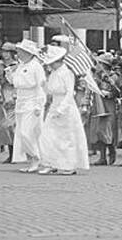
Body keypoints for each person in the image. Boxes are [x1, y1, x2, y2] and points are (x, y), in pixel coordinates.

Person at [37, 44, 89, 175]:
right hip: (55, 104)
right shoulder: (54, 74)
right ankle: (50, 162)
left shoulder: (67, 73)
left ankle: (68, 165)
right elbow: (50, 90)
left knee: (66, 138)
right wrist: (44, 86)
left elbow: (69, 92)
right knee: (47, 136)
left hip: (66, 107)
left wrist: (61, 109)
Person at [11, 40, 46, 172]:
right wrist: (10, 75)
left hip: (32, 102)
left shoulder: (36, 66)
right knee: (21, 132)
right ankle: (31, 159)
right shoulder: (21, 66)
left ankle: (36, 157)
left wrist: (39, 104)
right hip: (21, 101)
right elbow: (16, 83)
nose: (18, 53)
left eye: (20, 51)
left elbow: (40, 86)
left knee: (28, 132)